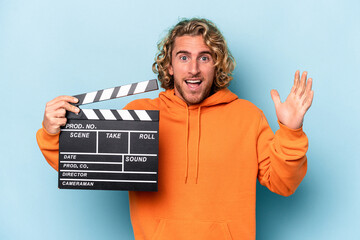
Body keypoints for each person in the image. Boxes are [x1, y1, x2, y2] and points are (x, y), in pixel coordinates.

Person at [36, 18, 314, 240]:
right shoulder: (140, 113)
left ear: (217, 65)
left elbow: (283, 183)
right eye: (183, 57)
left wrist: (291, 131)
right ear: (169, 66)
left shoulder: (248, 117)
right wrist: (51, 132)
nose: (193, 68)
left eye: (204, 58)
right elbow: (84, 162)